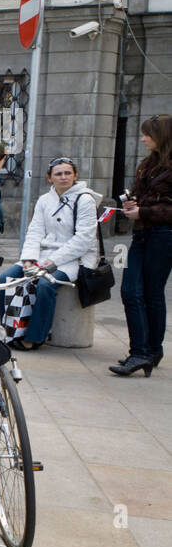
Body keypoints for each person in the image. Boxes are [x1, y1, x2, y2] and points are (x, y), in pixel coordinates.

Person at [0, 157, 99, 351]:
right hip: (42, 256)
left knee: (45, 285)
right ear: (49, 178)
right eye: (58, 174)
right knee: (6, 278)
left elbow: (83, 240)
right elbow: (35, 231)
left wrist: (52, 261)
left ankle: (35, 337)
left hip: (72, 259)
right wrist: (29, 259)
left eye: (68, 173)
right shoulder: (45, 200)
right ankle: (9, 329)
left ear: (75, 175)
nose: (63, 177)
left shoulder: (85, 200)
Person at [110, 115, 172, 377]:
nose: (144, 138)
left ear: (162, 135)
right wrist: (132, 204)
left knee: (151, 292)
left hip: (163, 234)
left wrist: (143, 212)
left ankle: (145, 352)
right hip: (143, 234)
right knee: (131, 290)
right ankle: (145, 350)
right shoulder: (149, 163)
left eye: (148, 134)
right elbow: (140, 194)